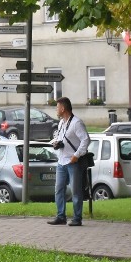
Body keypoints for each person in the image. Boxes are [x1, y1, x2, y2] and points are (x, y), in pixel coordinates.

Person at [48, 97, 91, 227]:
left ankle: (77, 218)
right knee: (59, 189)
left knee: (76, 191)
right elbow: (60, 137)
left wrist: (76, 155)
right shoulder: (61, 123)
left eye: (57, 107)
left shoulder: (76, 123)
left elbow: (86, 140)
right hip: (62, 161)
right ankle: (61, 216)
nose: (56, 110)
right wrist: (56, 143)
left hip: (73, 162)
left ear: (63, 108)